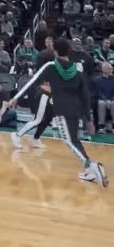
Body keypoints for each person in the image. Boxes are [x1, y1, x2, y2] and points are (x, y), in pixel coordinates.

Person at [8, 39, 108, 187]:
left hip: (61, 109)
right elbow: (85, 95)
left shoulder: (51, 66)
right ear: (69, 52)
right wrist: (88, 118)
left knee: (69, 141)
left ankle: (92, 165)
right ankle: (89, 171)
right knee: (74, 140)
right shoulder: (78, 70)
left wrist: (16, 97)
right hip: (76, 109)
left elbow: (33, 81)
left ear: (55, 52)